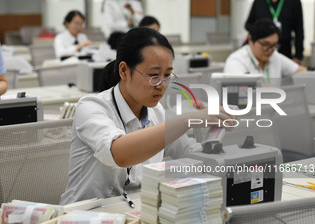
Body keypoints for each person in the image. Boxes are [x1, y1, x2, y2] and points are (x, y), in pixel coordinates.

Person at [60, 27, 235, 205]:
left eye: (167, 75)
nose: (161, 85)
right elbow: (119, 154)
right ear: (124, 71)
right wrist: (187, 119)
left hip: (136, 213)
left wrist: (212, 143)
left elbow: (190, 153)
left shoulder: (156, 112)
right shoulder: (91, 107)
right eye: (153, 75)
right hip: (85, 219)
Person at [224, 18, 306, 87]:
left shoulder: (274, 56)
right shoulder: (236, 60)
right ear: (250, 39)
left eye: (274, 45)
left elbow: (301, 71)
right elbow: (243, 87)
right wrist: (281, 92)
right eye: (265, 45)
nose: (270, 50)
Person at [245, 0, 304, 64]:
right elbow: (248, 25)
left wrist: (298, 56)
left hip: (284, 50)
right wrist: (262, 31)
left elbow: (299, 31)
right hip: (262, 52)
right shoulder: (258, 2)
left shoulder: (294, 2)